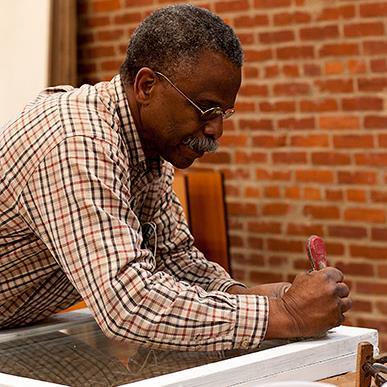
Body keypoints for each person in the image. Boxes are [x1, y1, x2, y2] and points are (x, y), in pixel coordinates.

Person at [0, 4, 351, 351]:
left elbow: (175, 261)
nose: (216, 130)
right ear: (147, 86)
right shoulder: (77, 141)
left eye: (224, 112)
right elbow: (129, 304)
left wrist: (258, 296)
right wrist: (286, 314)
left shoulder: (148, 150)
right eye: (205, 110)